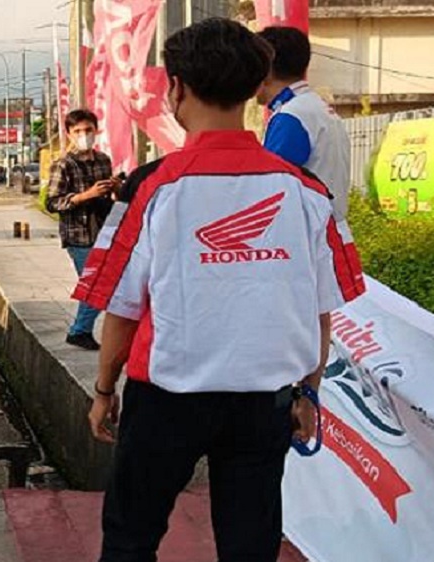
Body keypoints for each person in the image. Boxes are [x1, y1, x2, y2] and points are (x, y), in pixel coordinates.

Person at [75, 18, 365, 561]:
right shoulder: (305, 191)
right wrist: (307, 391)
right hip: (264, 403)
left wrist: (104, 389)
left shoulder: (151, 189)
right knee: (250, 544)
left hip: (165, 401)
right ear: (253, 89)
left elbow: (123, 307)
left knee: (131, 537)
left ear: (178, 88)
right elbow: (320, 308)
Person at [256, 26, 353, 222]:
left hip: (310, 238)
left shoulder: (290, 116)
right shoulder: (319, 108)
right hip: (333, 232)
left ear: (265, 69)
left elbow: (270, 190)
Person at [45, 109, 121, 351]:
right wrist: (85, 195)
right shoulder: (63, 165)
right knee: (96, 285)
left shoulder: (103, 160)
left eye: (88, 130)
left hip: (104, 230)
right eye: (78, 131)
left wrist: (116, 187)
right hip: (78, 234)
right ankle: (79, 331)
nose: (84, 135)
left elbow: (113, 196)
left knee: (100, 284)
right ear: (68, 134)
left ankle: (81, 330)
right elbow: (52, 202)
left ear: (96, 131)